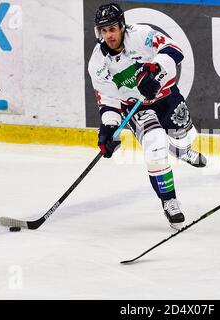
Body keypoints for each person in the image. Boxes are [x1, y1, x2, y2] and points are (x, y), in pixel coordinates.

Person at [88, 3, 206, 230]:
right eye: (103, 31)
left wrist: (153, 69)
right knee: (155, 147)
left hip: (165, 95)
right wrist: (108, 129)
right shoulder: (98, 63)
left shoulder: (141, 35)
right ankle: (169, 201)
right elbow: (108, 99)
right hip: (136, 108)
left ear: (122, 26)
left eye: (112, 29)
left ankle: (181, 149)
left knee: (185, 136)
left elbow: (175, 50)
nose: (108, 35)